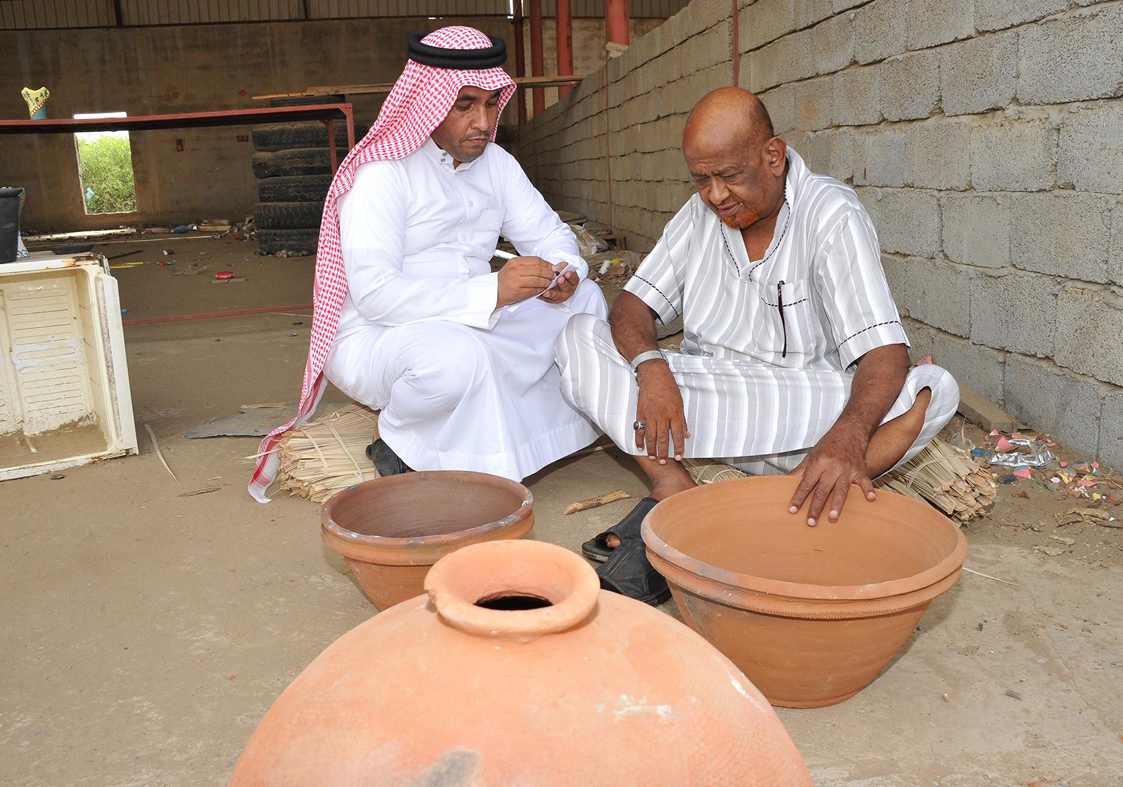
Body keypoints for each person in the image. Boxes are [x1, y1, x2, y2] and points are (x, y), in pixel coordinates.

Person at [555, 87, 960, 604]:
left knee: (932, 390)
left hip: (802, 414)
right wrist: (653, 368)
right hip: (696, 410)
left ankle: (767, 500)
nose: (716, 196)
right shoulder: (698, 214)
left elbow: (883, 351)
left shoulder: (830, 214)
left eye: (728, 176)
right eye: (702, 179)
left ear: (773, 156)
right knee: (576, 335)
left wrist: (847, 438)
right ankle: (675, 488)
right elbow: (632, 306)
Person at [249, 26, 605, 502]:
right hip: (381, 334)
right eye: (466, 105)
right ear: (428, 105)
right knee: (455, 360)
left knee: (586, 301)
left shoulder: (496, 164)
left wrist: (564, 271)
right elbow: (376, 296)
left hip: (476, 318)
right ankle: (399, 443)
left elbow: (550, 233)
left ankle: (518, 443)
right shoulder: (382, 174)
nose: (482, 120)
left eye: (491, 104)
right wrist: (494, 292)